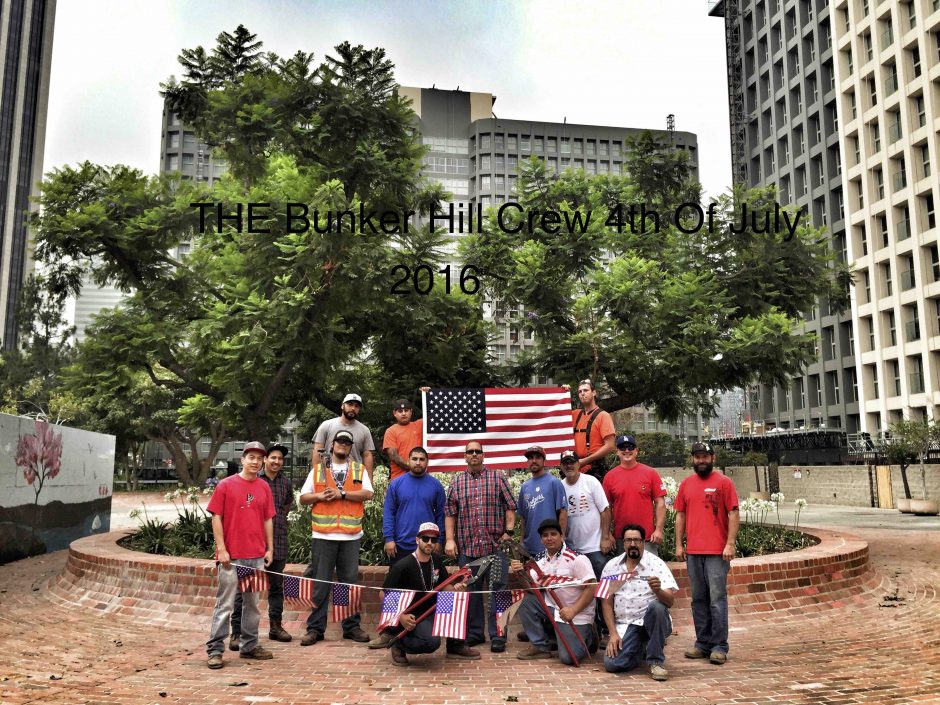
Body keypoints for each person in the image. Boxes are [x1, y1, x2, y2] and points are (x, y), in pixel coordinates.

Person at [298, 429, 374, 646]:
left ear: (351, 447)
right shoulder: (318, 471)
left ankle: (350, 627)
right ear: (331, 445)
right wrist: (320, 495)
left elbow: (368, 494)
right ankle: (315, 628)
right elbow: (303, 498)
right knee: (320, 583)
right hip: (323, 535)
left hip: (350, 537)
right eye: (339, 441)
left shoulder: (359, 470)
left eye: (347, 442)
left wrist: (343, 494)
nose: (343, 444)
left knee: (347, 584)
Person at [205, 442, 275, 669]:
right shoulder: (226, 485)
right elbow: (216, 517)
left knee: (252, 604)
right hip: (231, 557)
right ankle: (215, 649)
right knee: (225, 604)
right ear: (243, 459)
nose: (255, 462)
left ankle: (249, 645)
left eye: (259, 458)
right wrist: (222, 549)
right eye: (251, 457)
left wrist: (269, 548)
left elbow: (268, 519)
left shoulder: (264, 487)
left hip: (256, 556)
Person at [369, 446, 446, 649]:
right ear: (409, 460)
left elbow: (441, 515)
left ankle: (412, 632)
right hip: (401, 545)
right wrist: (388, 538)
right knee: (394, 592)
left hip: (426, 547)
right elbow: (389, 512)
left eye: (422, 459)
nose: (418, 462)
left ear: (427, 462)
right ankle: (389, 631)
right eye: (414, 458)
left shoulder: (436, 485)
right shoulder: (397, 484)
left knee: (420, 593)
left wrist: (440, 540)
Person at [444, 441, 517, 652]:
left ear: (483, 456)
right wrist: (450, 539)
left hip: (495, 548)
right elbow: (450, 513)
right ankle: (475, 633)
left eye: (478, 451)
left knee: (499, 591)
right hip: (468, 549)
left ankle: (499, 635)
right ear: (465, 456)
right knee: (471, 592)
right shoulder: (457, 481)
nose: (474, 454)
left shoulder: (498, 477)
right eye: (470, 452)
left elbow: (511, 506)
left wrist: (509, 531)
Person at [674, 441, 740, 665]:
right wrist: (679, 545)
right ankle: (702, 643)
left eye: (705, 456)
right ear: (692, 460)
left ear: (713, 458)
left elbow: (733, 513)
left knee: (717, 599)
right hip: (693, 551)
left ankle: (720, 646)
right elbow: (680, 515)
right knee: (698, 599)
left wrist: (730, 544)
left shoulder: (724, 482)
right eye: (697, 457)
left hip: (716, 553)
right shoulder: (686, 484)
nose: (701, 460)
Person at [382, 522, 480, 665]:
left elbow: (445, 586)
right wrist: (400, 616)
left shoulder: (437, 561)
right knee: (431, 643)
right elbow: (384, 594)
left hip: (432, 611)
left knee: (458, 599)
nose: (429, 543)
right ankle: (399, 643)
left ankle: (455, 646)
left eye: (433, 540)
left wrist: (456, 589)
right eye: (425, 539)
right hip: (413, 615)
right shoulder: (403, 565)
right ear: (417, 540)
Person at [230, 442, 295, 650]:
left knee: (276, 586)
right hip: (253, 543)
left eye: (280, 459)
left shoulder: (286, 483)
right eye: (272, 458)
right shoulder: (254, 481)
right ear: (264, 459)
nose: (276, 461)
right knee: (245, 588)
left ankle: (276, 626)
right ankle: (237, 632)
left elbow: (285, 507)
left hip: (278, 540)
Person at [511, 518, 597, 665]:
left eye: (553, 534)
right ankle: (540, 646)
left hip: (576, 612)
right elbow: (532, 589)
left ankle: (590, 636)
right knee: (527, 601)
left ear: (561, 536)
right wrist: (519, 573)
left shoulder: (577, 558)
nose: (549, 538)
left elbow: (592, 587)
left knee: (569, 658)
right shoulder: (539, 560)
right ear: (541, 539)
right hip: (553, 607)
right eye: (545, 535)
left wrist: (574, 610)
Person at [602, 524, 678, 681]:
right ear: (623, 543)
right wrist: (613, 634)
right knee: (612, 664)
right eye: (628, 540)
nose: (632, 544)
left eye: (637, 540)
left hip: (651, 621)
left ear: (643, 542)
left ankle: (656, 661)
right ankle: (641, 647)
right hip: (626, 625)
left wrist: (658, 590)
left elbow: (670, 601)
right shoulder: (612, 566)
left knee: (657, 607)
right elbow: (606, 603)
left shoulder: (657, 564)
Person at [559, 448, 613, 643]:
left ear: (579, 463)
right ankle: (590, 632)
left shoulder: (591, 482)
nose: (569, 465)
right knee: (578, 594)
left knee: (601, 591)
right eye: (565, 463)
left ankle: (606, 630)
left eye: (572, 461)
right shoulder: (560, 486)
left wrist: (605, 537)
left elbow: (605, 510)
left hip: (595, 548)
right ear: (561, 466)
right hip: (573, 551)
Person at [602, 434, 667, 556]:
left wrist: (658, 530)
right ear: (617, 452)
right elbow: (606, 509)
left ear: (636, 451)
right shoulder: (609, 477)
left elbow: (660, 503)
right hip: (622, 539)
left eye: (630, 447)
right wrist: (607, 534)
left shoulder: (650, 473)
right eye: (622, 448)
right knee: (625, 574)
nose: (627, 451)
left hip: (647, 538)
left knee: (650, 573)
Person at [517, 446, 568, 556]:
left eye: (538, 457)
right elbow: (523, 518)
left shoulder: (554, 482)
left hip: (551, 546)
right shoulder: (525, 487)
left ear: (544, 461)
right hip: (529, 546)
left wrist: (562, 538)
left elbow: (563, 513)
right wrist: (522, 541)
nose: (534, 461)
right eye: (530, 458)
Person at [312, 392, 375, 478]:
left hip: (354, 477)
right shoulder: (326, 425)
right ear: (342, 406)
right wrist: (317, 477)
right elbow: (317, 451)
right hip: (327, 475)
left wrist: (369, 481)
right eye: (350, 404)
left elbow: (367, 455)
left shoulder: (365, 430)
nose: (353, 408)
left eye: (356, 406)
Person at [571, 379, 616, 480]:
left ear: (594, 392)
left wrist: (586, 460)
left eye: (586, 390)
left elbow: (610, 446)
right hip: (575, 470)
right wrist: (563, 392)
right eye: (580, 391)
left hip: (595, 469)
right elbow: (557, 413)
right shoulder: (575, 414)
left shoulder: (603, 416)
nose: (582, 393)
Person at [382, 399, 424, 482]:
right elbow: (393, 455)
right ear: (395, 413)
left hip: (421, 477)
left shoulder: (420, 425)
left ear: (411, 412)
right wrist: (413, 467)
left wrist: (428, 394)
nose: (404, 413)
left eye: (406, 410)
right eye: (400, 411)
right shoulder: (391, 431)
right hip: (399, 478)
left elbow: (436, 415)